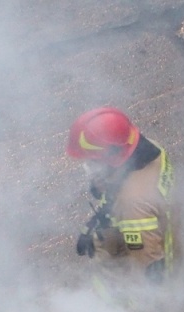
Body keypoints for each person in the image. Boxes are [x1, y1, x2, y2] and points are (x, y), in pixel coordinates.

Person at [65, 107, 177, 290]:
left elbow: (148, 267)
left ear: (112, 159)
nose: (87, 166)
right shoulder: (146, 148)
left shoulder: (133, 208)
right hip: (150, 228)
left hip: (125, 292)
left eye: (92, 160)